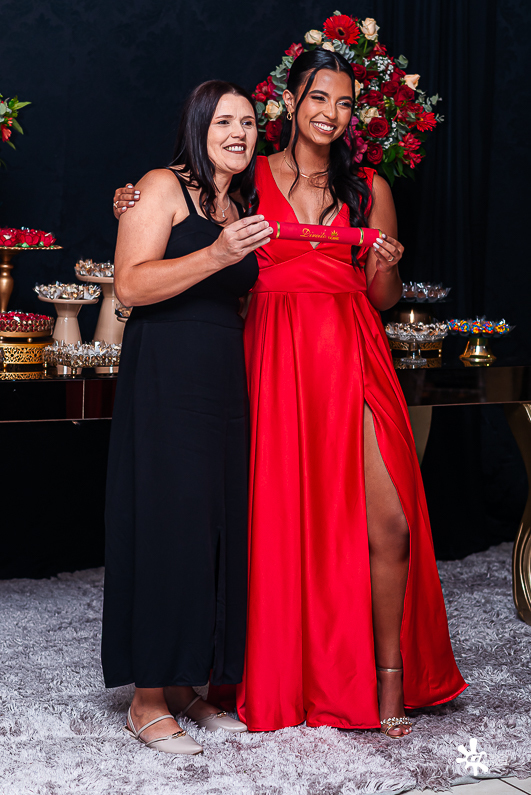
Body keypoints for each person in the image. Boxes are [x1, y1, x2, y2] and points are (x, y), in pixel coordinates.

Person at [113, 50, 467, 739]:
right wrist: (131, 200)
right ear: (292, 102)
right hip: (272, 357)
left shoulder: (368, 188)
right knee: (271, 524)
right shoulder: (249, 178)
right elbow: (190, 205)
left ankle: (389, 676)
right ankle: (258, 676)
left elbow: (383, 298)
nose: (331, 113)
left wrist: (384, 265)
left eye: (345, 103)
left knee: (389, 519)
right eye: (319, 98)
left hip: (353, 351)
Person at [103, 79, 272, 755]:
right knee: (167, 529)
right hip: (165, 380)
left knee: (211, 530)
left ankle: (184, 684)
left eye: (249, 123)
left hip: (221, 382)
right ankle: (146, 699)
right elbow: (130, 284)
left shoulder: (238, 203)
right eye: (225, 121)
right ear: (199, 126)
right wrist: (216, 254)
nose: (239, 133)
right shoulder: (161, 186)